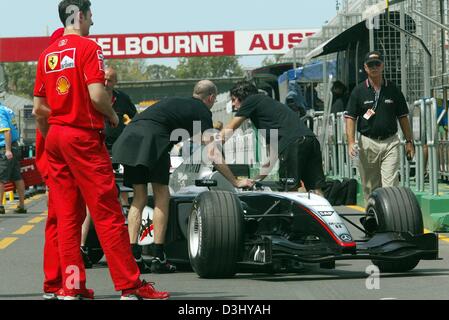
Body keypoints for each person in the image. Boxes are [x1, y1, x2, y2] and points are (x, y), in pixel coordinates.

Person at [33, 0, 169, 300]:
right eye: (91, 15)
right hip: (82, 136)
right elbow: (97, 94)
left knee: (67, 217)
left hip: (56, 136)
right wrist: (111, 115)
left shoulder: (46, 55)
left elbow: (39, 108)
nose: (93, 21)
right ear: (78, 15)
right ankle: (130, 285)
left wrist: (53, 136)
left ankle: (70, 287)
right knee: (107, 211)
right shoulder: (89, 48)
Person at [112, 80, 254, 274]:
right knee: (162, 194)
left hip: (129, 139)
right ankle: (158, 257)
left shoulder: (175, 102)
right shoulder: (202, 110)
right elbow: (211, 151)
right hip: (152, 141)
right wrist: (235, 180)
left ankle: (134, 256)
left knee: (139, 197)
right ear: (211, 97)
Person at [222, 81, 326, 195]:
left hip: (293, 144)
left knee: (289, 189)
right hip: (310, 139)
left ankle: (290, 212)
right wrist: (256, 180)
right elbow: (272, 157)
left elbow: (231, 127)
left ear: (242, 96)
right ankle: (326, 212)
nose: (232, 104)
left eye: (233, 99)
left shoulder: (251, 100)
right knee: (316, 188)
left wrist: (214, 143)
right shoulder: (268, 112)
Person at [345, 51, 415, 204]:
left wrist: (409, 141)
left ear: (382, 65)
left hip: (391, 142)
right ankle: (373, 218)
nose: (374, 67)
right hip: (368, 143)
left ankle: (391, 219)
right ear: (365, 67)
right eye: (371, 65)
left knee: (390, 186)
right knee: (371, 187)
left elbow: (403, 117)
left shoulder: (394, 90)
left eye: (377, 64)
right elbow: (350, 118)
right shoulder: (358, 91)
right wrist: (350, 142)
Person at [0, 103, 27, 214]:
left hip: (5, 147)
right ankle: (22, 205)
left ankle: (0, 205)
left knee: (0, 177)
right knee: (17, 177)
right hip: (15, 145)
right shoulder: (7, 109)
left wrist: (7, 150)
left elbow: (7, 131)